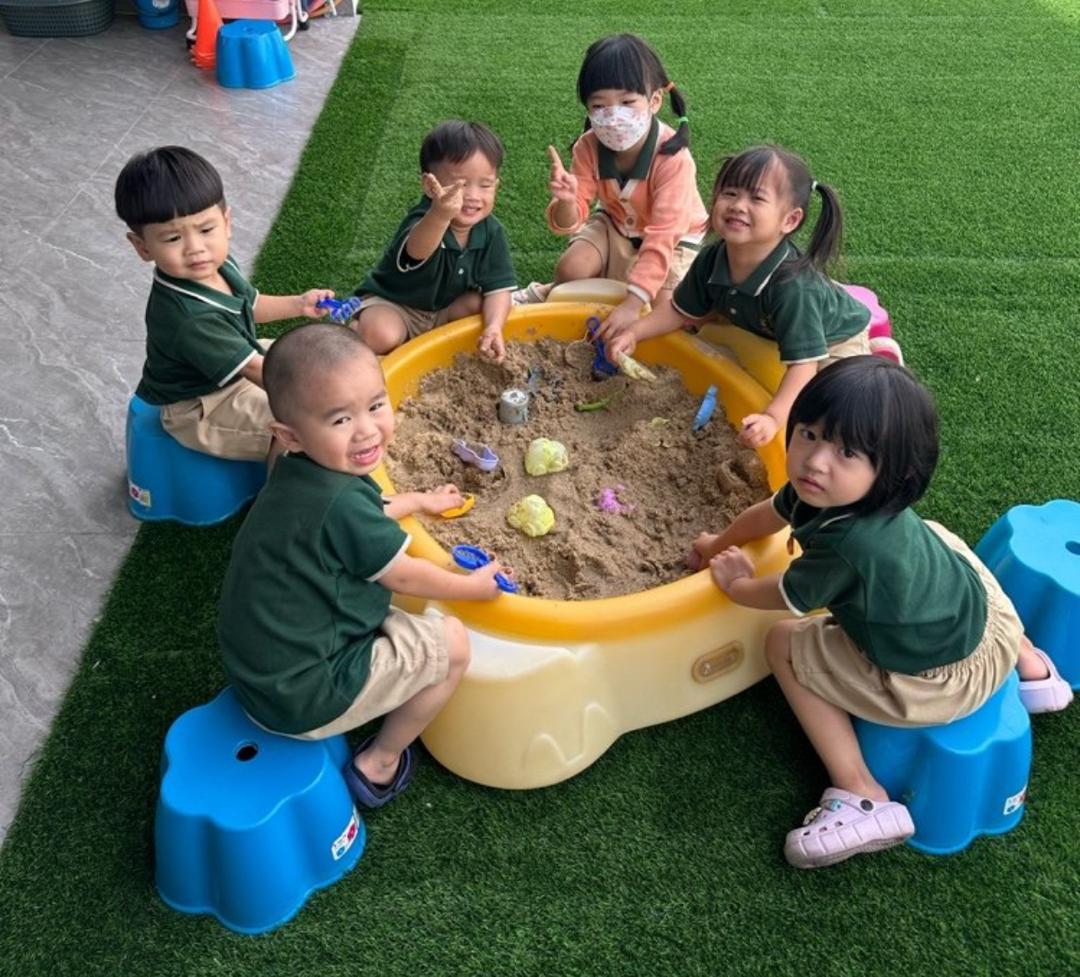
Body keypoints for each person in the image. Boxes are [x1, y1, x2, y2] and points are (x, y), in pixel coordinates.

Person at [692, 357, 1072, 869]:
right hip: (988, 630)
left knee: (782, 642)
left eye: (847, 451)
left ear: (889, 470)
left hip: (937, 680)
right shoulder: (835, 494)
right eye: (808, 433)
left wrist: (737, 585)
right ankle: (1031, 668)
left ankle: (861, 794)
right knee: (938, 535)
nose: (815, 461)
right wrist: (719, 541)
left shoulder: (851, 544)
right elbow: (769, 513)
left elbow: (784, 594)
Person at [217, 324, 511, 809]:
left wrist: (418, 500)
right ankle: (379, 762)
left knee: (394, 617)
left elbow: (358, 516)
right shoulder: (340, 503)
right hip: (300, 696)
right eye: (339, 420)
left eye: (375, 405)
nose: (367, 430)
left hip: (261, 666)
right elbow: (403, 575)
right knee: (452, 644)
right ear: (289, 434)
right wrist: (471, 585)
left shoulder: (299, 472)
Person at [604, 144, 874, 449]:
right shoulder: (712, 258)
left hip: (833, 339)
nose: (737, 205)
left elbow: (803, 367)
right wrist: (634, 331)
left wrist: (772, 418)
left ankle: (877, 352)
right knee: (703, 338)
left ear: (790, 220)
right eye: (730, 193)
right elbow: (679, 312)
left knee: (835, 405)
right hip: (762, 325)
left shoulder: (793, 287)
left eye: (756, 198)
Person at [115, 146, 334, 465]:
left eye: (206, 230)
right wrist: (312, 402)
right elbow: (252, 369)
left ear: (226, 222)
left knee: (311, 357)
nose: (196, 249)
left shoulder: (217, 265)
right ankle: (283, 502)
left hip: (237, 362)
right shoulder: (189, 317)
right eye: (173, 239)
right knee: (297, 430)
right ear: (142, 247)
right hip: (202, 404)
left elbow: (250, 304)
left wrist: (298, 304)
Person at [514, 33, 709, 339]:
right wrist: (566, 200)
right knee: (571, 271)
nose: (614, 116)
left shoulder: (674, 159)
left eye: (627, 102)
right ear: (588, 109)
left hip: (675, 238)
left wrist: (633, 304)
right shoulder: (588, 146)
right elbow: (570, 220)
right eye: (599, 105)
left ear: (654, 101)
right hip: (616, 223)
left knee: (665, 309)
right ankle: (546, 291)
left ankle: (621, 289)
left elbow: (663, 235)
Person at [353, 120, 517, 363]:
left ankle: (430, 342)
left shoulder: (491, 231)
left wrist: (494, 327)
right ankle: (351, 332)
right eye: (459, 185)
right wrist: (440, 214)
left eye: (485, 185)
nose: (473, 196)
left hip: (443, 310)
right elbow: (417, 251)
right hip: (398, 305)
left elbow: (499, 288)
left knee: (485, 305)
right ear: (430, 186)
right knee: (380, 334)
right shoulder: (425, 220)